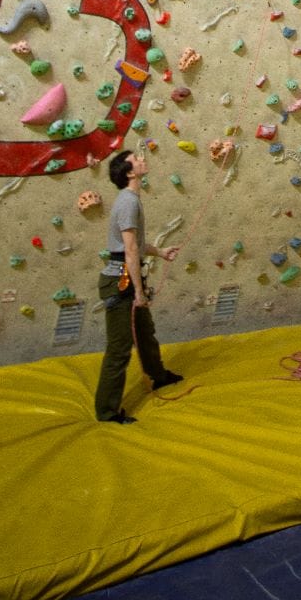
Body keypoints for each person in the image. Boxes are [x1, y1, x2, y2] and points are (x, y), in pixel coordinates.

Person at [95, 148, 182, 423]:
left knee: (145, 333)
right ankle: (107, 411)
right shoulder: (128, 203)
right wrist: (139, 293)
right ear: (130, 172)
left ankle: (158, 376)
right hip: (122, 283)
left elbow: (136, 245)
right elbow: (130, 251)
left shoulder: (131, 199)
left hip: (128, 276)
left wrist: (161, 252)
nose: (143, 160)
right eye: (137, 159)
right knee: (120, 348)